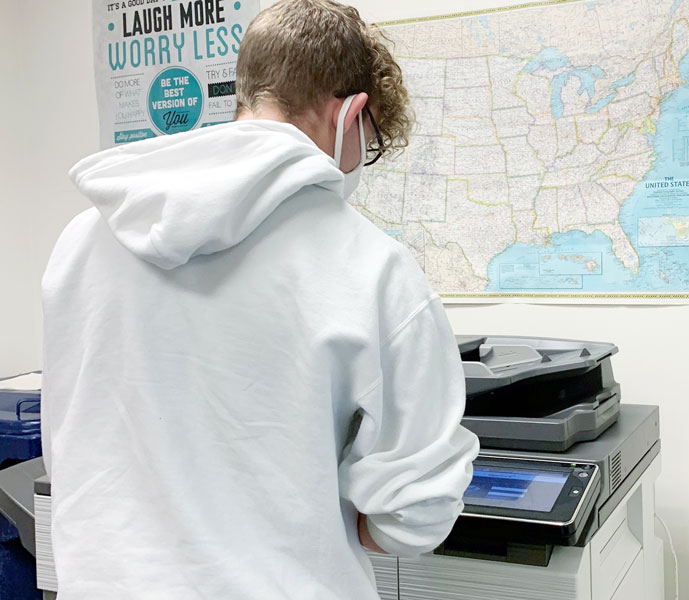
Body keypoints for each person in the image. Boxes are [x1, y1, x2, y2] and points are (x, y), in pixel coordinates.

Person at [40, 1, 479, 598]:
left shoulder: (81, 240)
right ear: (349, 115)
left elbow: (78, 440)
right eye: (368, 144)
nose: (359, 163)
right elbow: (415, 515)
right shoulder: (373, 268)